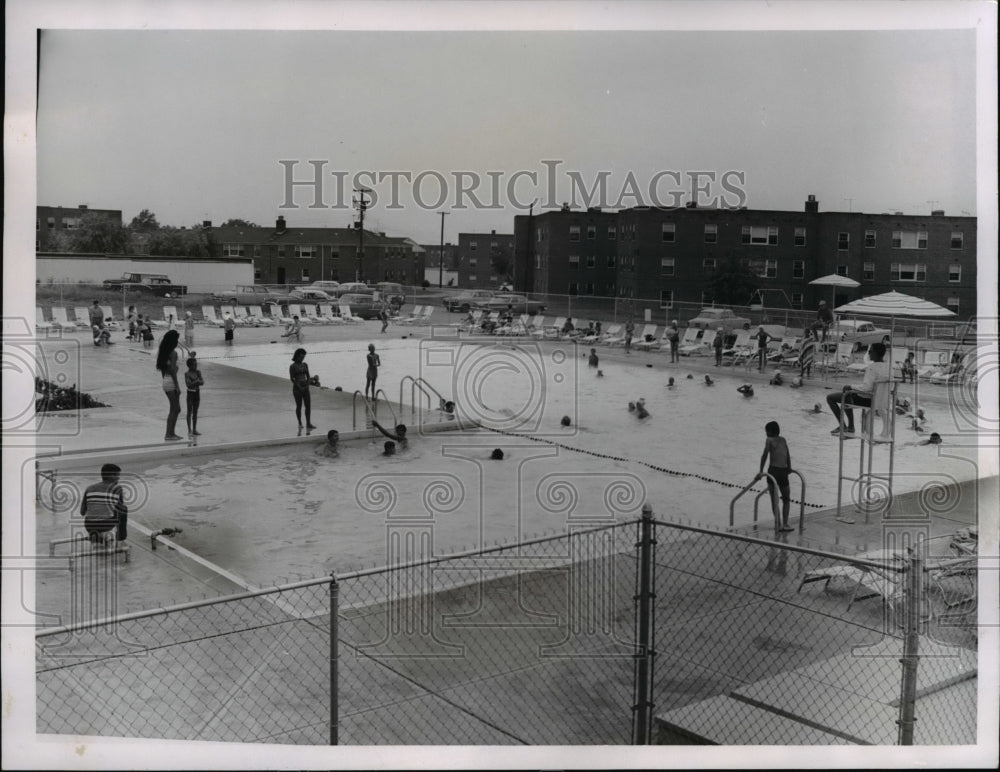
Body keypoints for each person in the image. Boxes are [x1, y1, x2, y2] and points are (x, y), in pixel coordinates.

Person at [826, 341, 891, 436]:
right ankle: (850, 426)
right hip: (881, 401)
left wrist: (851, 386)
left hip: (868, 400)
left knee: (832, 397)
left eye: (870, 351)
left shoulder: (872, 368)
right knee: (850, 392)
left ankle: (848, 426)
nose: (868, 353)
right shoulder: (889, 368)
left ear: (876, 353)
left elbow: (867, 387)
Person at [756, 421, 794, 532]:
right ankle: (785, 524)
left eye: (766, 431)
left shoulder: (769, 440)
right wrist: (789, 468)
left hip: (773, 472)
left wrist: (761, 471)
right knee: (786, 499)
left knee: (774, 500)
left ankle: (778, 523)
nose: (765, 433)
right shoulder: (783, 440)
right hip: (783, 472)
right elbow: (788, 455)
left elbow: (764, 455)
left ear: (771, 431)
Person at [80, 463, 128, 545]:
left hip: (89, 526)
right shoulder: (117, 488)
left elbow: (82, 512)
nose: (119, 478)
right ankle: (121, 537)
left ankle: (96, 535)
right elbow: (119, 509)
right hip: (106, 525)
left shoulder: (89, 488)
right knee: (123, 509)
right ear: (111, 476)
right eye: (117, 475)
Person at [156, 330, 184, 441]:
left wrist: (166, 382)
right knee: (175, 409)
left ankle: (171, 433)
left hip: (166, 382)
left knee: (176, 409)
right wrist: (177, 386)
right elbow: (172, 370)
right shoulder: (173, 354)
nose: (177, 342)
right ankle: (169, 434)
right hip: (171, 382)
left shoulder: (163, 353)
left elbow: (164, 372)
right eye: (176, 339)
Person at [290, 348, 317, 430]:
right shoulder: (292, 366)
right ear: (297, 356)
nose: (302, 358)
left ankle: (308, 423)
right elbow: (292, 378)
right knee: (299, 406)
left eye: (303, 357)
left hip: (305, 386)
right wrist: (299, 387)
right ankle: (300, 422)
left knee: (308, 406)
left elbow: (308, 376)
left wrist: (307, 385)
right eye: (301, 357)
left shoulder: (305, 365)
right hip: (297, 388)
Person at [184, 356, 204, 436]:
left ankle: (194, 429)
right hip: (190, 394)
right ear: (190, 366)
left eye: (196, 364)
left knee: (195, 412)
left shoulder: (198, 372)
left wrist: (195, 382)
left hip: (197, 393)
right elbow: (188, 385)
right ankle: (189, 430)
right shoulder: (187, 374)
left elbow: (202, 382)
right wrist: (197, 381)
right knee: (189, 412)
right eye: (194, 365)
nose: (196, 366)